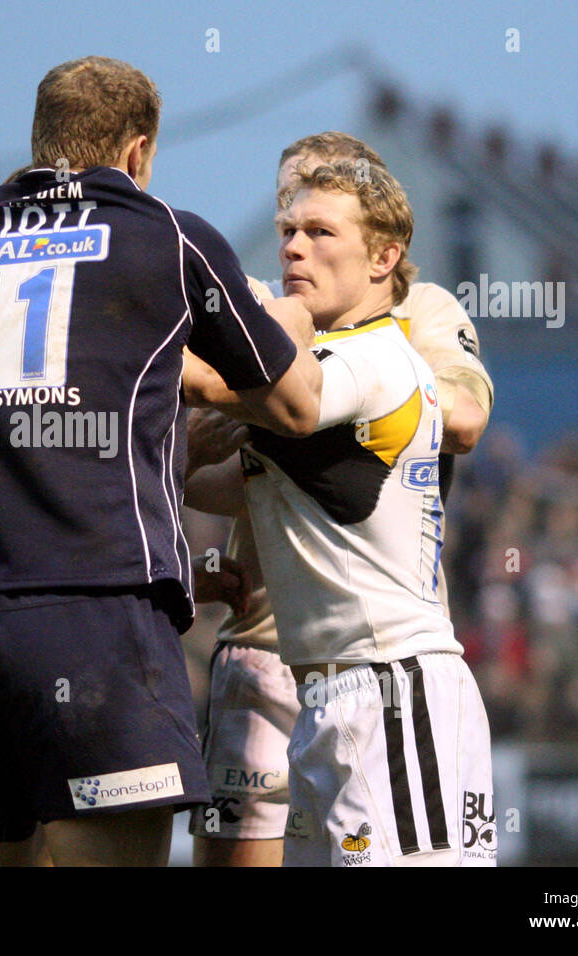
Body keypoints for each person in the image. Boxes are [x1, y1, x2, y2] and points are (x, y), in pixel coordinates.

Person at [0, 56, 321, 866]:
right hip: (94, 616)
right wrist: (297, 313)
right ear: (138, 152)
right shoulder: (166, 234)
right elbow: (295, 404)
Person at [189, 132, 496, 867]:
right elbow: (208, 467)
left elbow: (234, 393)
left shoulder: (376, 348)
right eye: (287, 229)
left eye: (319, 231)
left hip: (390, 686)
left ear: (383, 257)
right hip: (321, 687)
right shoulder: (320, 359)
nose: (294, 246)